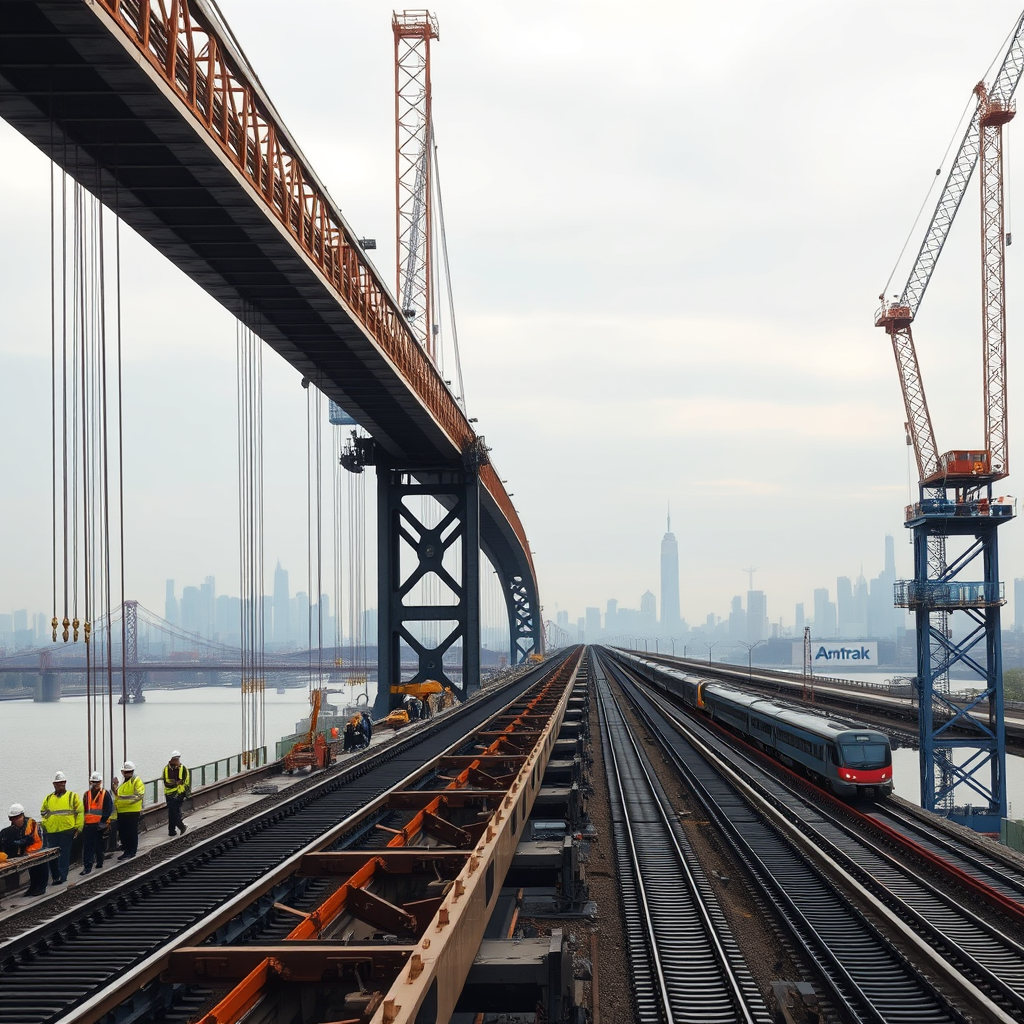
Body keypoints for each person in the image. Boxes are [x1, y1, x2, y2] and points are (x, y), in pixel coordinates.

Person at [40, 771, 83, 884]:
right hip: (52, 831)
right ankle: (55, 876)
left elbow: (80, 812)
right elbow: (43, 813)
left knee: (64, 854)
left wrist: (78, 827)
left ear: (65, 782)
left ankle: (62, 876)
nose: (61, 785)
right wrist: (46, 825)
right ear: (54, 784)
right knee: (52, 855)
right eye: (58, 783)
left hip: (67, 830)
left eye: (62, 783)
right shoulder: (48, 798)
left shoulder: (72, 797)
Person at [0, 804, 48, 897]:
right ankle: (33, 886)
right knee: (32, 869)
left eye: (16, 818)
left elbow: (32, 839)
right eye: (12, 818)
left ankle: (42, 887)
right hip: (27, 852)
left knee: (41, 867)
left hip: (38, 849)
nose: (14, 820)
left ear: (22, 816)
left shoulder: (32, 824)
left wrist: (18, 843)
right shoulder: (14, 828)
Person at [80, 772, 113, 875]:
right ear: (91, 782)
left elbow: (108, 808)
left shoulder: (105, 794)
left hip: (100, 825)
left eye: (97, 782)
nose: (96, 784)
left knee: (99, 845)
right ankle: (87, 867)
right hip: (88, 825)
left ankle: (100, 861)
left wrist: (103, 821)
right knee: (88, 846)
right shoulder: (86, 795)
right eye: (94, 782)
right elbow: (84, 810)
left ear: (100, 782)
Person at [114, 761, 145, 860]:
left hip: (132, 811)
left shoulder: (136, 781)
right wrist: (115, 786)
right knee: (123, 832)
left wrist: (125, 802)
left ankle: (131, 851)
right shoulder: (123, 782)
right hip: (122, 811)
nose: (125, 773)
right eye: (124, 772)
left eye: (127, 772)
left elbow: (139, 795)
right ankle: (126, 849)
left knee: (131, 832)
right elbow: (119, 795)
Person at [162, 751, 190, 837]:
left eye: (178, 758)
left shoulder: (183, 768)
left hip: (179, 794)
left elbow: (186, 781)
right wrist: (176, 783)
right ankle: (174, 830)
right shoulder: (166, 769)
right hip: (170, 794)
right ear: (171, 759)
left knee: (174, 812)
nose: (177, 760)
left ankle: (178, 828)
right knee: (173, 812)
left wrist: (185, 793)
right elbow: (167, 783)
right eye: (175, 759)